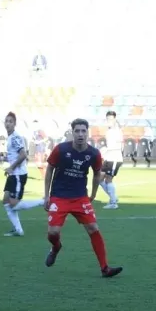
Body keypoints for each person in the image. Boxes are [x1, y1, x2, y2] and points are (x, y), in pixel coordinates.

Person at [43, 118, 123, 278]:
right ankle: (56, 247)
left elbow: (96, 174)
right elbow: (50, 169)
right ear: (72, 133)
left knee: (93, 228)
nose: (80, 134)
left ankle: (105, 268)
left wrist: (93, 194)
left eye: (83, 131)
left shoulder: (94, 153)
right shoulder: (61, 149)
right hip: (59, 196)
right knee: (53, 233)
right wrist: (47, 195)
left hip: (80, 197)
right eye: (77, 131)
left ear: (88, 133)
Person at [2, 112, 44, 237]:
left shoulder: (15, 137)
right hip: (13, 174)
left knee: (13, 204)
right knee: (6, 201)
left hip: (18, 174)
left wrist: (11, 167)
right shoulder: (10, 137)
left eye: (10, 121)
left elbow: (23, 155)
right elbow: (15, 155)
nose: (8, 123)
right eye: (6, 121)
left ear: (15, 124)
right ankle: (18, 230)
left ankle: (42, 202)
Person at [100, 110, 123, 209]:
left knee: (108, 179)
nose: (109, 121)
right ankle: (114, 197)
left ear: (115, 119)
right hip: (108, 158)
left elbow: (119, 146)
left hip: (115, 158)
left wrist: (106, 149)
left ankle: (113, 203)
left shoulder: (117, 131)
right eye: (108, 119)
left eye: (111, 119)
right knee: (99, 178)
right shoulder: (108, 131)